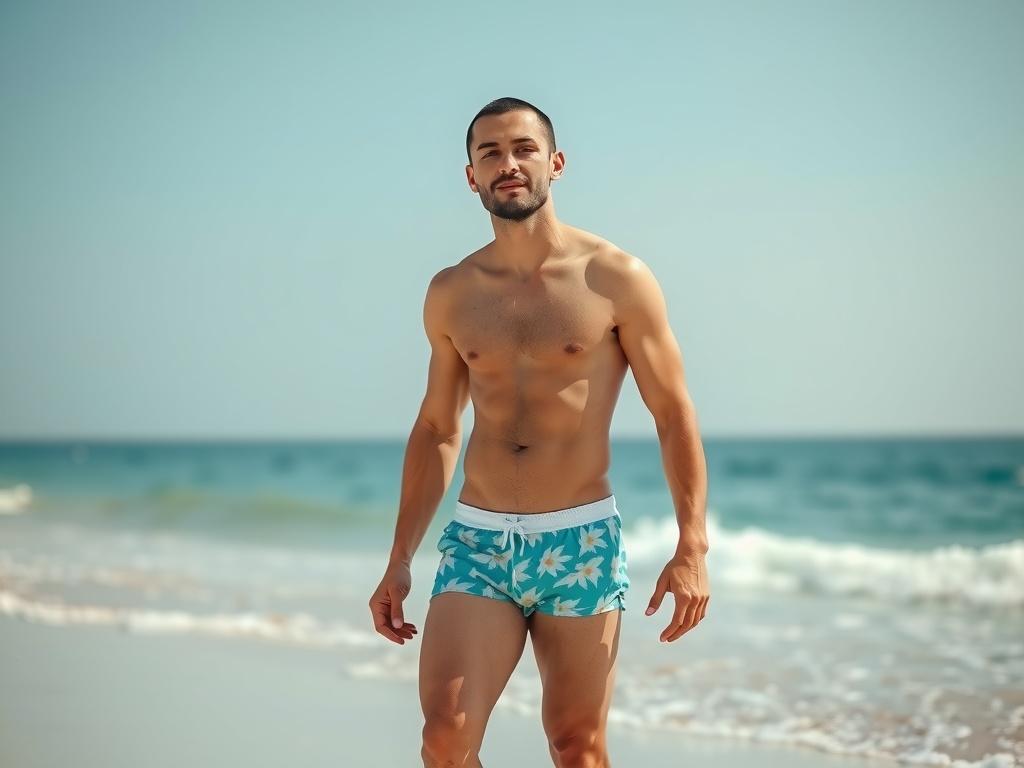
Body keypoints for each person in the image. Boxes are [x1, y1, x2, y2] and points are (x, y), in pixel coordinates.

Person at [368, 96, 710, 768]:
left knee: (576, 748)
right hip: (478, 542)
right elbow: (439, 426)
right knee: (445, 738)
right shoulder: (451, 292)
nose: (508, 164)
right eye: (489, 153)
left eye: (523, 148)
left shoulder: (616, 278)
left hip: (580, 539)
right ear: (471, 176)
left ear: (555, 163)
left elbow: (673, 413)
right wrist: (401, 556)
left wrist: (692, 544)